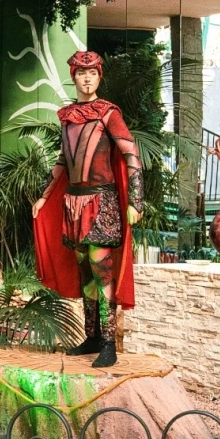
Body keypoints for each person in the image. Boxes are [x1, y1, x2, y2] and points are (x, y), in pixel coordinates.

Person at [32, 50, 144, 369]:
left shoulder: (108, 112)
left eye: (92, 72)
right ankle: (92, 337)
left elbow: (131, 154)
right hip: (73, 204)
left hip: (102, 202)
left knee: (101, 270)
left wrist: (136, 200)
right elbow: (62, 161)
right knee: (85, 274)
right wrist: (43, 197)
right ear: (74, 77)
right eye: (81, 73)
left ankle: (109, 344)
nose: (87, 78)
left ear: (99, 76)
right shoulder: (67, 116)